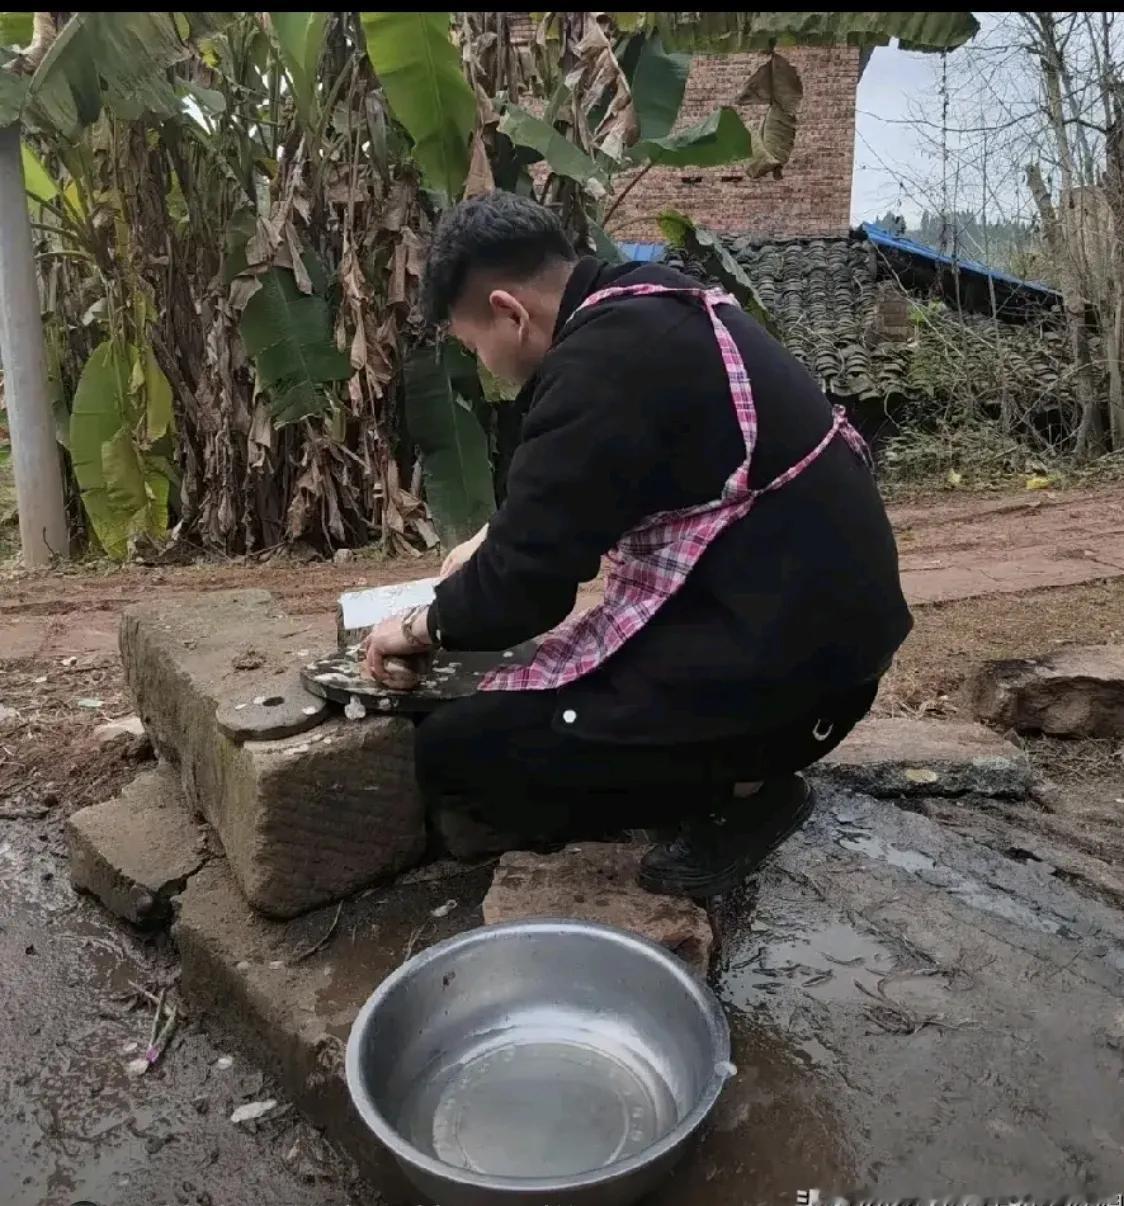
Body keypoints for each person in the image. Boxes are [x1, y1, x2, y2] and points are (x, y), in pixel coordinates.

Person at [362, 192, 912, 897]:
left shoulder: (596, 369)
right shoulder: (654, 303)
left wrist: (419, 623)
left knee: (460, 751)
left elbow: (521, 594)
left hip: (797, 684)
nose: (485, 364)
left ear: (509, 310)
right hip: (818, 638)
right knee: (540, 694)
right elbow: (601, 481)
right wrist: (495, 539)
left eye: (473, 346)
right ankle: (721, 759)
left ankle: (744, 797)